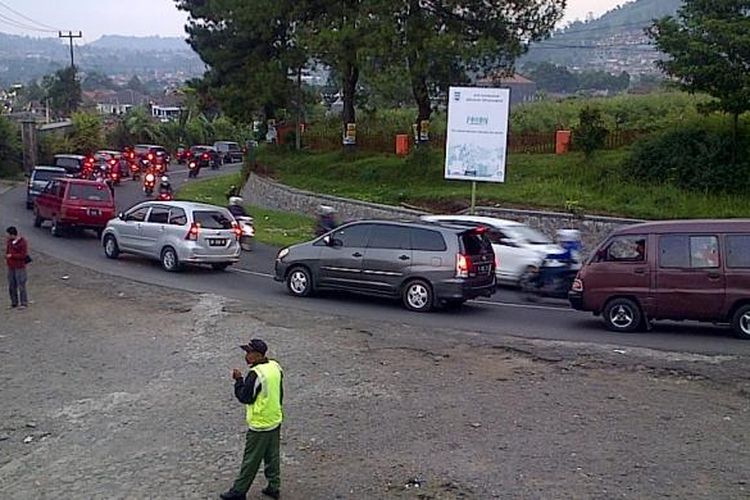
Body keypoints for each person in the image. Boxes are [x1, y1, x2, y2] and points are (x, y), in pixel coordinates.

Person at [221, 339, 284, 500]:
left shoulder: (256, 374)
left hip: (260, 423)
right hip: (274, 418)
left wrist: (238, 381)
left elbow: (245, 397)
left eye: (249, 353)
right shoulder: (275, 367)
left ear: (257, 355)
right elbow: (279, 391)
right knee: (272, 456)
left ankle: (239, 491)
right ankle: (273, 486)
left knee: (251, 460)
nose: (246, 356)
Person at [5, 226, 29, 309]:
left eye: (8, 234)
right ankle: (14, 302)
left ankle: (23, 303)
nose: (7, 236)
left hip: (19, 266)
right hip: (11, 266)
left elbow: (23, 255)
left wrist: (12, 255)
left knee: (21, 284)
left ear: (12, 235)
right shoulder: (9, 242)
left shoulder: (22, 242)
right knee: (12, 285)